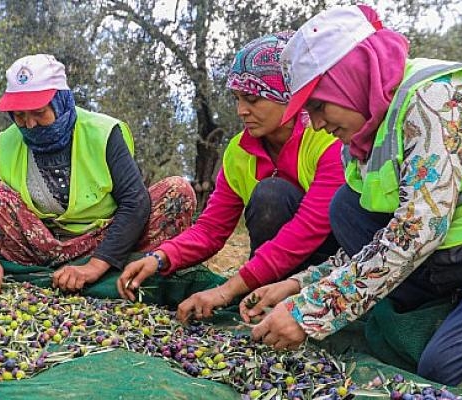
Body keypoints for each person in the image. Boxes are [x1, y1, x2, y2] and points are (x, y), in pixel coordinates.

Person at [243, 5, 462, 396]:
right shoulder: (367, 136)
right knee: (348, 207)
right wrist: (299, 284)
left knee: (454, 366)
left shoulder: (434, 97)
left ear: (348, 77)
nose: (316, 124)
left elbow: (417, 230)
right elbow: (374, 238)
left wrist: (311, 312)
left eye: (317, 104)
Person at [118, 32, 343, 321]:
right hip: (274, 267)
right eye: (237, 99)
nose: (241, 111)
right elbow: (211, 229)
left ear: (288, 96)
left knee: (272, 194)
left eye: (252, 99)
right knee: (269, 195)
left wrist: (227, 290)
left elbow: (307, 229)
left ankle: (296, 296)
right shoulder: (238, 152)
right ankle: (267, 297)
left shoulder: (325, 138)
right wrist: (160, 257)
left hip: (331, 259)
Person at [0, 54, 196, 293]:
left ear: (61, 101)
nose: (30, 125)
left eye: (39, 113)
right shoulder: (7, 143)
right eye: (19, 115)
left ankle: (107, 270)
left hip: (105, 241)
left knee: (178, 191)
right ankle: (46, 276)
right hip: (39, 249)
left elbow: (135, 202)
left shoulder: (101, 133)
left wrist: (94, 266)